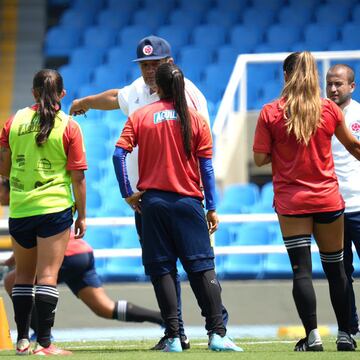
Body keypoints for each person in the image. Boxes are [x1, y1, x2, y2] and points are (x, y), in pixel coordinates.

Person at [69, 35, 228, 350]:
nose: (149, 70)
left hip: (184, 195)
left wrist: (206, 200)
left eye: (155, 63)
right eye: (144, 65)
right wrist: (86, 102)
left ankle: (217, 330)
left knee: (197, 266)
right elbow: (116, 97)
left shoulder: (192, 97)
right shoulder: (138, 92)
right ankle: (176, 333)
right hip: (147, 200)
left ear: (169, 63)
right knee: (163, 267)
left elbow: (203, 149)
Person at [113, 62, 242, 352]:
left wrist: (128, 193)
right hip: (188, 202)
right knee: (202, 267)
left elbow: (118, 154)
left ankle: (173, 336)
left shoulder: (141, 116)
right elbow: (206, 169)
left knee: (163, 270)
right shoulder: (195, 119)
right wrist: (212, 207)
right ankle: (217, 334)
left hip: (153, 205)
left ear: (155, 87)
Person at [253, 51, 360, 352]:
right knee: (336, 269)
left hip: (292, 202)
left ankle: (312, 335)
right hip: (328, 199)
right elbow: (353, 146)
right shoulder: (328, 110)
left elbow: (259, 158)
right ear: (315, 77)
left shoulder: (270, 112)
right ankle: (345, 334)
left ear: (285, 76)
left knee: (301, 270)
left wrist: (283, 150)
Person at [0, 69, 87, 356]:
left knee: (23, 276)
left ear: (34, 92)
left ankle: (23, 340)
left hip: (21, 208)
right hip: (54, 208)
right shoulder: (69, 125)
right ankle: (46, 344)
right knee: (47, 276)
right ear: (62, 94)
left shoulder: (13, 122)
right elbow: (78, 177)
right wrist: (82, 215)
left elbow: (3, 167)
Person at [3, 234, 164, 338]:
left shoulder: (23, 207)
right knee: (104, 308)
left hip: (65, 255)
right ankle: (161, 318)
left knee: (12, 281)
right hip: (81, 253)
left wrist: (7, 262)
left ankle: (40, 334)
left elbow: (25, 251)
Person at [326, 64, 360, 337]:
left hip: (359, 205)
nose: (333, 89)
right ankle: (347, 329)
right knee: (339, 273)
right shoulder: (320, 114)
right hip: (331, 208)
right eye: (329, 83)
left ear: (352, 86)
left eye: (339, 84)